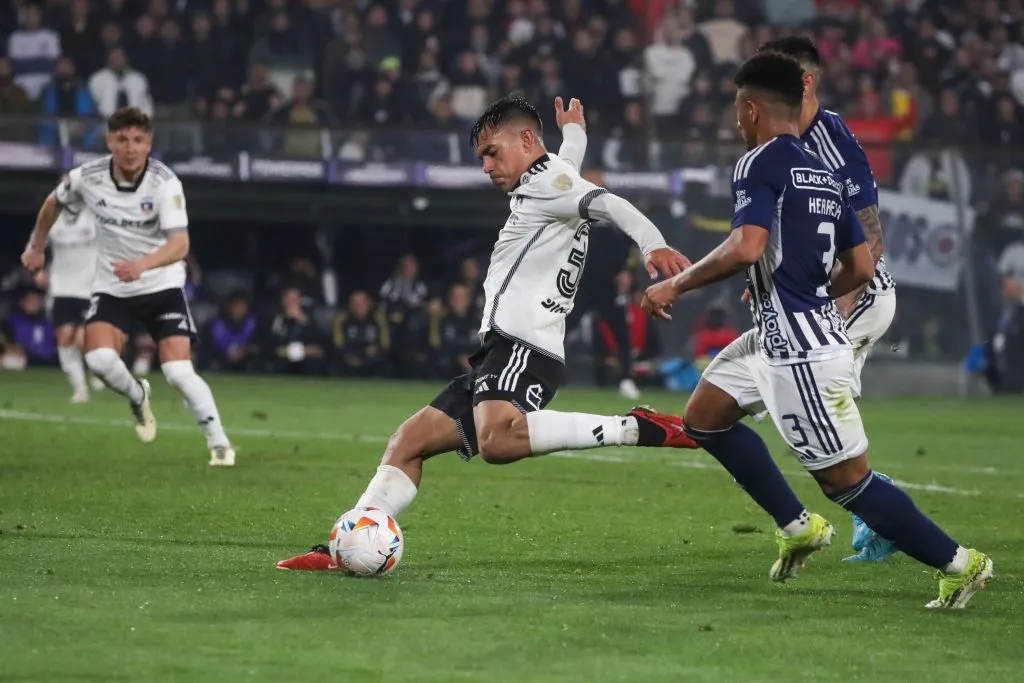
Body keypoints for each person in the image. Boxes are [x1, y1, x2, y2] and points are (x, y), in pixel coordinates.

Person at [278, 96, 695, 570]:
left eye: (492, 152)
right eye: (481, 157)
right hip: (501, 350)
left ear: (524, 141)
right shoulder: (553, 177)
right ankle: (346, 545)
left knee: (497, 441)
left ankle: (634, 428)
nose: (486, 166)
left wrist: (653, 245)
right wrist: (575, 131)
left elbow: (605, 200)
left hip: (525, 347)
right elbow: (571, 170)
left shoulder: (550, 184)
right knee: (407, 442)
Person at [642, 52, 992, 609]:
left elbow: (746, 246)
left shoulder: (757, 163)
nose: (736, 122)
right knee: (704, 418)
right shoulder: (824, 172)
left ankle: (959, 563)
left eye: (737, 111)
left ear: (752, 110)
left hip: (799, 354)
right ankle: (798, 525)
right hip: (777, 337)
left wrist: (675, 285)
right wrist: (801, 289)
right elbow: (858, 266)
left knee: (848, 482)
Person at [21, 106, 236, 467]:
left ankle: (219, 442)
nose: (130, 147)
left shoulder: (164, 183)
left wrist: (142, 265)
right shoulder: (87, 177)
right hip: (112, 287)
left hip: (162, 284)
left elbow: (180, 245)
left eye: (138, 140)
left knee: (178, 372)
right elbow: (52, 202)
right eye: (122, 139)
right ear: (110, 142)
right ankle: (137, 395)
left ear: (149, 143)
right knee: (99, 359)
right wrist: (36, 246)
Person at [758, 37, 900, 561]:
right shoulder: (782, 138)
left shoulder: (831, 139)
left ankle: (885, 516)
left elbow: (871, 236)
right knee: (790, 405)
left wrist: (828, 307)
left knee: (796, 402)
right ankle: (876, 512)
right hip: (815, 302)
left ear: (806, 82)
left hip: (857, 298)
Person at [36, 185, 99, 402]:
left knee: (83, 339)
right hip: (61, 286)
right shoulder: (52, 220)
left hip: (90, 286)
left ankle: (98, 369)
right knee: (64, 339)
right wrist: (38, 269)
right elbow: (36, 244)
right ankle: (80, 388)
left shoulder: (94, 217)